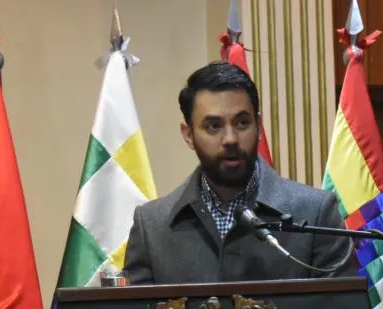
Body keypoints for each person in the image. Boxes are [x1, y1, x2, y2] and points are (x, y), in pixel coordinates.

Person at [122, 62, 355, 284]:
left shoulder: (316, 213)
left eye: (242, 123)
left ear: (258, 126)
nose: (231, 139)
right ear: (188, 135)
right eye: (214, 126)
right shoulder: (152, 227)